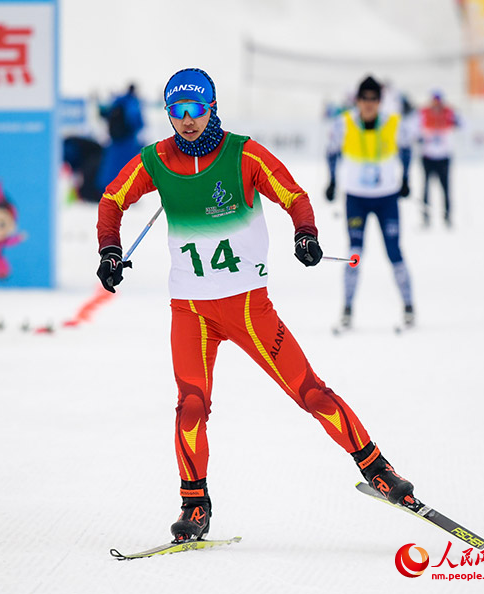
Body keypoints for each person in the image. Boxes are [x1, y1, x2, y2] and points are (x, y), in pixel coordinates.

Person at [96, 67, 415, 543]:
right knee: (189, 407)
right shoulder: (156, 160)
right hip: (190, 311)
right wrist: (109, 250)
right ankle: (194, 504)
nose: (187, 121)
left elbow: (294, 196)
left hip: (248, 308)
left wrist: (305, 234)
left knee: (310, 393)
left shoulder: (243, 153)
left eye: (196, 109)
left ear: (212, 108)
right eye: (176, 112)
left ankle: (378, 468)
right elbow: (111, 200)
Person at [325, 75, 414, 330]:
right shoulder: (344, 124)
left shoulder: (393, 123)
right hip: (356, 199)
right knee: (354, 253)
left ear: (380, 101)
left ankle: (408, 306)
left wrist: (406, 178)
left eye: (374, 99)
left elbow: (407, 149)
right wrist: (331, 181)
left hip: (387, 198)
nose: (369, 104)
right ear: (358, 100)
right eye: (364, 99)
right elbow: (331, 151)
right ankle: (347, 308)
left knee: (394, 251)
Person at [418, 90, 459, 227]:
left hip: (443, 157)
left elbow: (462, 125)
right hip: (428, 156)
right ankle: (425, 216)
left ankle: (447, 216)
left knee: (445, 188)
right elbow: (414, 128)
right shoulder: (424, 113)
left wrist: (456, 121)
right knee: (426, 188)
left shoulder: (449, 113)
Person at [96, 84, 144, 192]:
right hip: (128, 142)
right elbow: (138, 123)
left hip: (114, 142)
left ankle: (106, 191)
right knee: (127, 169)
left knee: (111, 168)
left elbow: (103, 113)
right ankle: (125, 193)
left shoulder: (117, 102)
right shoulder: (132, 103)